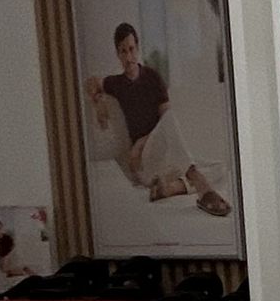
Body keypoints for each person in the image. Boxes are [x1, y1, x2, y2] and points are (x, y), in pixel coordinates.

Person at [88, 22, 230, 217]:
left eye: (131, 49)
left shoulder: (152, 77)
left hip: (163, 158)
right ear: (118, 54)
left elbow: (165, 123)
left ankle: (169, 189)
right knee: (174, 128)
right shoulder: (116, 83)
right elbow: (91, 82)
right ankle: (200, 185)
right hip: (144, 164)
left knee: (220, 167)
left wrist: (139, 143)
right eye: (123, 52)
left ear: (137, 48)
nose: (128, 57)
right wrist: (98, 101)